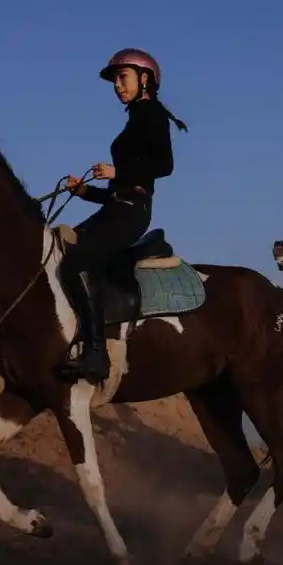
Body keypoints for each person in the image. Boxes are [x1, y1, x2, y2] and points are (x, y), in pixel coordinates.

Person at [57, 48, 188, 383]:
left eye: (122, 77)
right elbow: (123, 187)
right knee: (61, 250)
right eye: (115, 79)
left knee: (74, 264)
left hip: (133, 212)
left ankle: (96, 356)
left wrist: (116, 171)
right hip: (119, 206)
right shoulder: (135, 117)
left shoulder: (152, 114)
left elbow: (164, 166)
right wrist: (86, 192)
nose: (117, 85)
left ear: (145, 79)